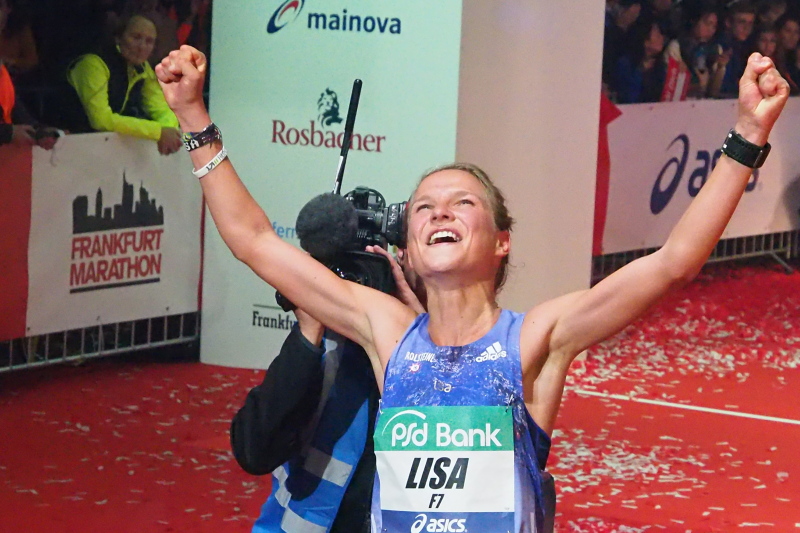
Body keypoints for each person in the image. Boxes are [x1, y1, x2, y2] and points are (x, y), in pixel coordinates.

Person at [156, 45, 789, 532]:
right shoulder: (387, 334)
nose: (440, 211)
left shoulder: (535, 340)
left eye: (463, 202)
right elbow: (254, 240)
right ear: (408, 247)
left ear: (501, 240)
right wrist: (192, 115)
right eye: (424, 206)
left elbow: (674, 261)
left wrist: (748, 136)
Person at [64, 13, 182, 155]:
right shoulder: (93, 64)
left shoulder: (142, 67)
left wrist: (169, 131)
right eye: (136, 37)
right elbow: (101, 120)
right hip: (64, 143)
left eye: (149, 41)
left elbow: (160, 108)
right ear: (118, 38)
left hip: (99, 147)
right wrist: (157, 132)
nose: (142, 46)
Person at [0, 0, 57, 149]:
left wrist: (39, 130)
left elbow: (15, 108)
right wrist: (8, 133)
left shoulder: (2, 71)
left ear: (7, 10)